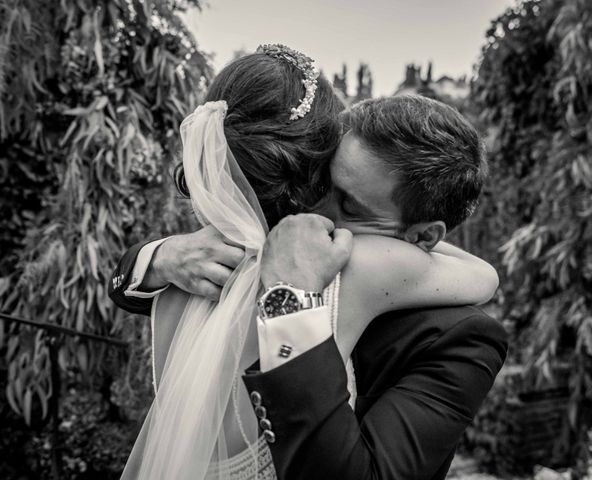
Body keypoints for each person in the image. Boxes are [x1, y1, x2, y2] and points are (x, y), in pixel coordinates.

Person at [111, 45, 507, 480]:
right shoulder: (214, 258)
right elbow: (483, 276)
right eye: (322, 183)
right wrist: (161, 258)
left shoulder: (460, 338)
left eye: (350, 207)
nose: (316, 215)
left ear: (424, 236)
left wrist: (290, 305)